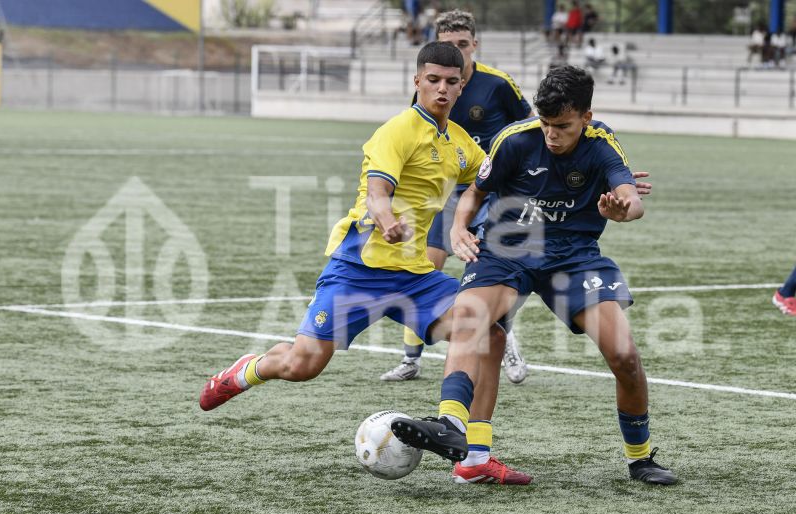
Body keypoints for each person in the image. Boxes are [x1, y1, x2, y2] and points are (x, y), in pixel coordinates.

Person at [199, 41, 533, 485]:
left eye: (452, 82)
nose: (442, 89)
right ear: (416, 81)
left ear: (461, 87)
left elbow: (490, 179)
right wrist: (388, 219)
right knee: (303, 365)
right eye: (432, 80)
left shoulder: (460, 145)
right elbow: (378, 194)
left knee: (486, 333)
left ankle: (473, 456)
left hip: (416, 278)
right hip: (360, 269)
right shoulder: (396, 131)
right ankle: (248, 369)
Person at [390, 65, 677, 486]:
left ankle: (640, 458)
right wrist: (456, 228)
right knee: (472, 320)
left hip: (573, 256)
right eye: (544, 123)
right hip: (508, 251)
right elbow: (476, 192)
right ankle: (453, 427)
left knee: (625, 357)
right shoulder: (515, 138)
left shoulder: (601, 144)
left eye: (562, 126)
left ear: (587, 118)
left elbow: (631, 197)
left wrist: (624, 209)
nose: (551, 134)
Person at [382, 9, 533, 384]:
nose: (456, 52)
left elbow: (529, 127)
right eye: (448, 45)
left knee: (483, 277)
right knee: (423, 269)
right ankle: (410, 359)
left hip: (486, 192)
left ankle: (506, 340)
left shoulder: (498, 84)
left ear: (474, 45)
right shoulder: (430, 83)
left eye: (462, 45)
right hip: (444, 193)